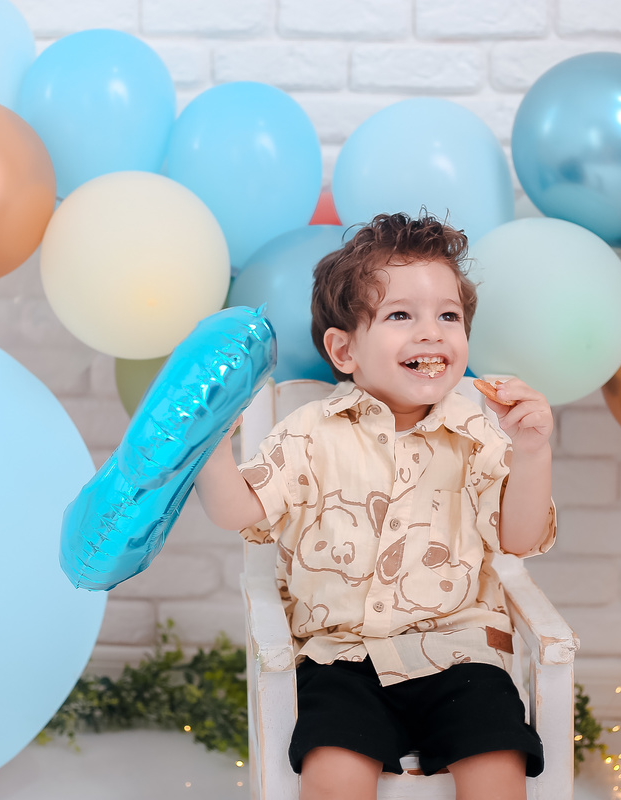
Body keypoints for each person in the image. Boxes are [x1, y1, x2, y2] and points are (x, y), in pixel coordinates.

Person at [194, 212, 556, 800]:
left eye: (448, 316)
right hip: (341, 657)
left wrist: (532, 453)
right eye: (400, 316)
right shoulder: (310, 433)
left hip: (459, 652)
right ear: (344, 349)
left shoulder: (478, 435)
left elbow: (518, 538)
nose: (431, 332)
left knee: (496, 756)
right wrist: (210, 454)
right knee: (333, 767)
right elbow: (239, 510)